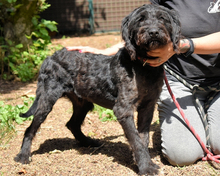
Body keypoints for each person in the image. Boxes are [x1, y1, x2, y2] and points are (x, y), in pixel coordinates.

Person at [67, 0, 220, 166]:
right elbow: (139, 25)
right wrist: (106, 52)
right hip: (179, 80)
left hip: (217, 82)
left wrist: (183, 45)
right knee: (182, 155)